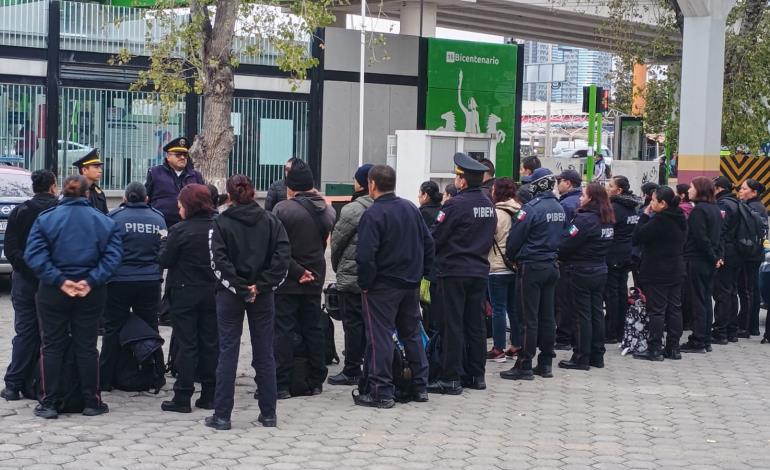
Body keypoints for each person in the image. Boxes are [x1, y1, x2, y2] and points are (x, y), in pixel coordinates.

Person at [24, 175, 123, 419]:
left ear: (62, 192)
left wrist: (60, 280)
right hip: (91, 292)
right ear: (88, 194)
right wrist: (90, 281)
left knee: (52, 346)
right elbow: (113, 256)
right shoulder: (103, 221)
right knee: (87, 346)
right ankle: (91, 401)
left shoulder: (45, 219)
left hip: (53, 291)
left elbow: (34, 255)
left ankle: (50, 402)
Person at [206, 175, 291, 430]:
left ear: (229, 195)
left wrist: (240, 288)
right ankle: (268, 414)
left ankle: (222, 416)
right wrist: (261, 286)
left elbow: (217, 261)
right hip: (262, 295)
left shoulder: (220, 223)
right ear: (254, 193)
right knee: (264, 352)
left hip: (230, 295)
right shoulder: (271, 221)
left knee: (228, 352)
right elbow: (282, 257)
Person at [354, 165, 434, 407]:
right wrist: (424, 274)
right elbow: (428, 243)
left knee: (380, 337)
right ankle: (420, 386)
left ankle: (382, 391)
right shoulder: (411, 208)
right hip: (410, 283)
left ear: (372, 184)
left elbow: (365, 255)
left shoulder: (373, 214)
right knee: (411, 334)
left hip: (382, 287)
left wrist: (365, 283)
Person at [427, 153, 497, 395]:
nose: (456, 181)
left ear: (463, 181)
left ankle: (451, 378)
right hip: (479, 271)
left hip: (454, 271)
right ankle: (476, 375)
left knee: (452, 325)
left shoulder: (455, 205)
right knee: (475, 324)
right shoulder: (488, 204)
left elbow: (435, 237)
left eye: (458, 177)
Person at [272, 161, 336, 398]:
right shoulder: (328, 210)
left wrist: (297, 271)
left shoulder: (282, 209)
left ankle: (282, 383)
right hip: (315, 275)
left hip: (289, 278)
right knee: (313, 328)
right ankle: (315, 379)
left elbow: (276, 248)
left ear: (291, 186)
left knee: (284, 330)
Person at [100, 182, 167, 391]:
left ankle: (104, 379)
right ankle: (155, 375)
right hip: (149, 281)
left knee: (112, 329)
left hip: (119, 281)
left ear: (125, 198)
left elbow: (105, 248)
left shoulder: (114, 218)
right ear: (147, 199)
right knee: (150, 327)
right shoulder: (158, 218)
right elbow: (163, 248)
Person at [500, 168, 565, 380]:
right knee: (547, 317)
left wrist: (513, 257)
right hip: (551, 265)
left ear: (539, 184)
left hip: (532, 267)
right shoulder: (558, 206)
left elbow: (514, 240)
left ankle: (524, 364)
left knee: (528, 318)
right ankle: (545, 363)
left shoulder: (531, 209)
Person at [159, 184, 218, 413]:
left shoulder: (179, 230)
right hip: (212, 292)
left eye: (181, 205)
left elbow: (165, 260)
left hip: (184, 293)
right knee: (211, 343)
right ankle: (210, 395)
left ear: (188, 206)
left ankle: (182, 396)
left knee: (187, 344)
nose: (179, 209)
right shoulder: (218, 228)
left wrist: (163, 242)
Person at [1, 170, 57, 401]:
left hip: (25, 280)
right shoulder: (59, 211)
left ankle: (14, 385)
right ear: (53, 186)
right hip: (52, 281)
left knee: (25, 332)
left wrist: (27, 267)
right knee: (52, 334)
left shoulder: (20, 211)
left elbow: (11, 249)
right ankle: (46, 384)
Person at [557, 183, 614, 370]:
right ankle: (597, 355)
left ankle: (581, 356)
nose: (580, 198)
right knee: (596, 313)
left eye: (583, 195)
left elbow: (565, 244)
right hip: (599, 270)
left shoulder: (583, 220)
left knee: (581, 316)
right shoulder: (607, 219)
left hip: (580, 271)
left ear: (591, 198)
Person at [328, 164, 374, 386]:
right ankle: (369, 363)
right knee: (371, 323)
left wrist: (338, 267)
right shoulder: (384, 206)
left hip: (352, 274)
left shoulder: (353, 209)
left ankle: (352, 368)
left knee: (353, 324)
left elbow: (336, 243)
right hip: (376, 277)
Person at [632, 186, 688, 361]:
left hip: (658, 271)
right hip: (676, 269)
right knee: (674, 309)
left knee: (656, 310)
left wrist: (644, 216)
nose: (651, 203)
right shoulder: (680, 217)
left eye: (654, 200)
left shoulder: (660, 220)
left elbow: (638, 236)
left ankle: (654, 348)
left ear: (663, 203)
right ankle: (673, 347)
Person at [680, 177, 723, 354]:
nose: (689, 190)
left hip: (698, 259)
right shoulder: (715, 209)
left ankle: (698, 340)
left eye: (691, 187)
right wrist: (718, 257)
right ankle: (705, 338)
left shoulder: (698, 212)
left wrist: (714, 256)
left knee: (698, 300)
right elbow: (720, 236)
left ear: (700, 190)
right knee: (705, 298)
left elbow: (700, 238)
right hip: (709, 261)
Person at [486, 177, 522, 362]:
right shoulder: (519, 210)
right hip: (515, 266)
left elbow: (488, 237)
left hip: (498, 266)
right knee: (513, 308)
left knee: (498, 309)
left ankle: (498, 348)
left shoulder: (497, 213)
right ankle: (516, 346)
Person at [603, 176, 641, 344]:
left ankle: (611, 330)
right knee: (620, 292)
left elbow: (606, 230)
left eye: (610, 186)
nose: (607, 188)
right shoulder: (633, 207)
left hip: (613, 255)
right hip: (626, 254)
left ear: (618, 190)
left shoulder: (614, 208)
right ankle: (621, 328)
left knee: (612, 294)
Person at [553, 169, 583, 350]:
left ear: (568, 183)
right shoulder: (578, 200)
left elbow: (562, 234)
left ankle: (564, 336)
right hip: (582, 261)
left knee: (563, 301)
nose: (558, 184)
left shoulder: (565, 205)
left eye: (560, 181)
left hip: (566, 260)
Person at [145, 137, 205, 227]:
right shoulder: (155, 173)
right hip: (162, 224)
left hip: (189, 225)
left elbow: (203, 200)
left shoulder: (196, 176)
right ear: (168, 157)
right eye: (178, 155)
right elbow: (146, 198)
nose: (182, 157)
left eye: (185, 155)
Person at [737, 179, 769, 337]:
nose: (740, 191)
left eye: (744, 188)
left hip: (750, 254)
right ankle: (751, 325)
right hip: (754, 254)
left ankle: (746, 326)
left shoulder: (752, 208)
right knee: (751, 289)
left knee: (748, 290)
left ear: (754, 192)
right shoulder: (757, 206)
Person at [711, 177, 741, 344]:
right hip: (737, 252)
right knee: (731, 291)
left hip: (726, 253)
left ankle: (721, 332)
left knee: (722, 292)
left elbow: (720, 232)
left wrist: (719, 256)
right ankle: (731, 330)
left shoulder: (723, 205)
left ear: (718, 188)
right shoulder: (736, 202)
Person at [73, 150, 108, 214]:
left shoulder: (99, 192)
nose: (100, 171)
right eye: (96, 167)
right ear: (84, 170)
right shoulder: (72, 190)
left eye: (100, 167)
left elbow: (105, 215)